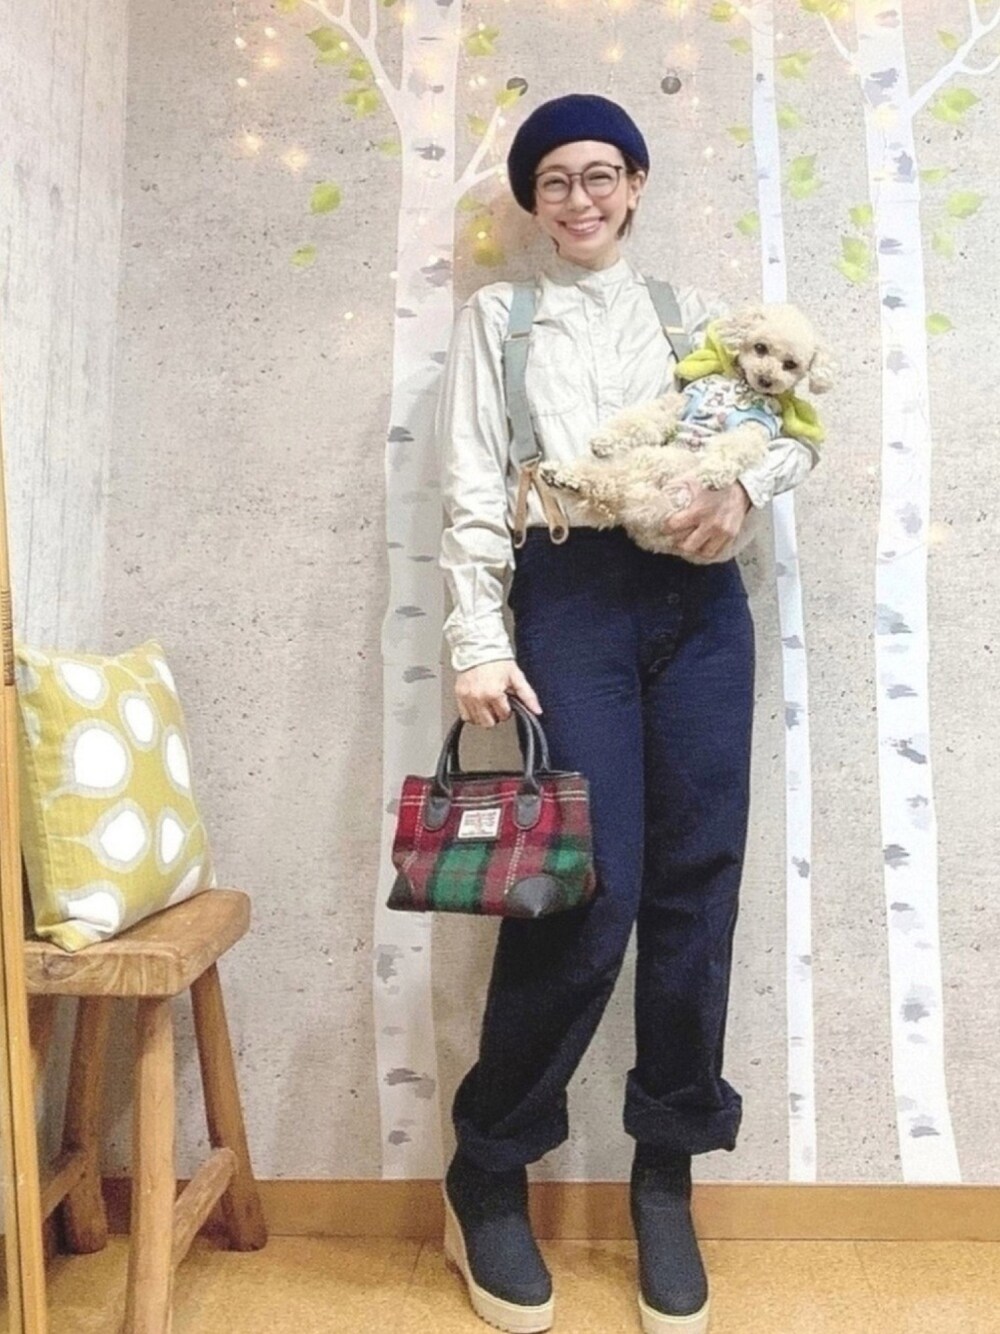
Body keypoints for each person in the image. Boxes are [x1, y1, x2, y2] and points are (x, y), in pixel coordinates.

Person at [435, 94, 818, 1334]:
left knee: (698, 880)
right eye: (554, 180)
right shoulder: (497, 320)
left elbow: (788, 430)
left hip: (697, 604)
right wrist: (477, 637)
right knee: (581, 891)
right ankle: (489, 1163)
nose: (580, 197)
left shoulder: (692, 317)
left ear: (636, 183)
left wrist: (744, 494)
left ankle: (666, 1172)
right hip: (570, 595)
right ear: (532, 202)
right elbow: (471, 486)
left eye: (601, 173)